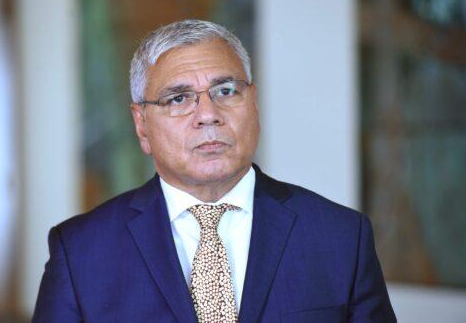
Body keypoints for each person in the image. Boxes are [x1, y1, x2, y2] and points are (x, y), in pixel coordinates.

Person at [33, 20, 396, 322]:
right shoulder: (80, 252)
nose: (208, 114)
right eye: (178, 98)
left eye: (225, 90)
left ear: (253, 104)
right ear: (142, 125)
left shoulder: (342, 237)